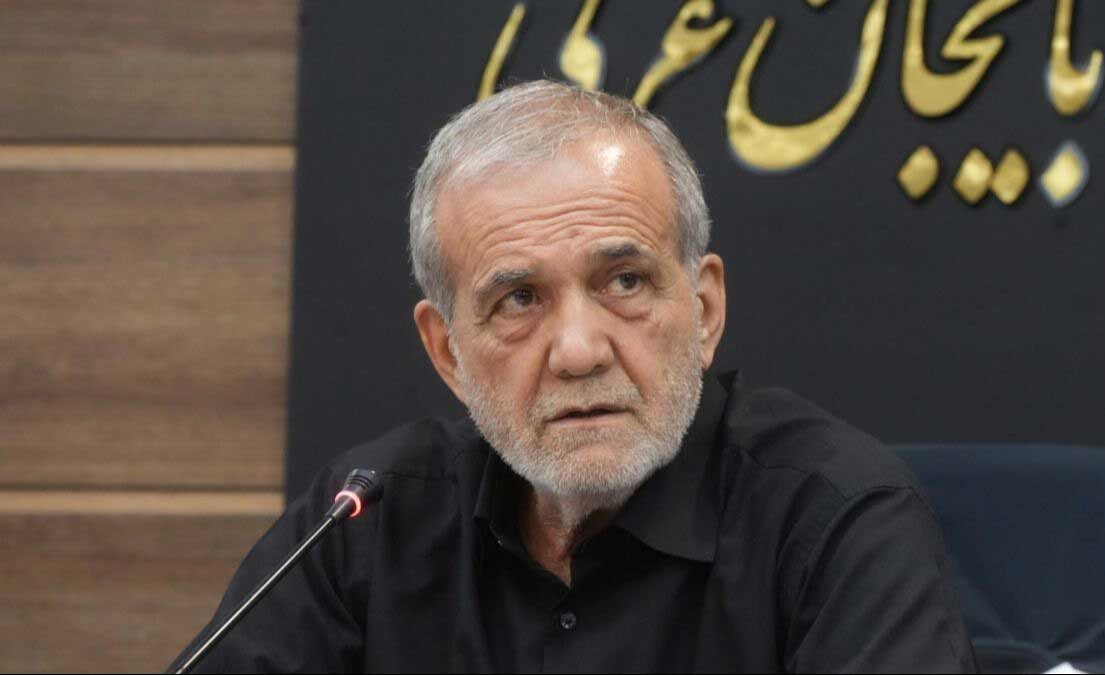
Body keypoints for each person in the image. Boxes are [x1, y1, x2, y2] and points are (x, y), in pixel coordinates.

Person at [173, 80, 977, 673]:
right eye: (520, 299)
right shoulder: (366, 522)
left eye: (624, 281)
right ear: (449, 351)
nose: (580, 350)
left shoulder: (835, 517)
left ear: (703, 309)